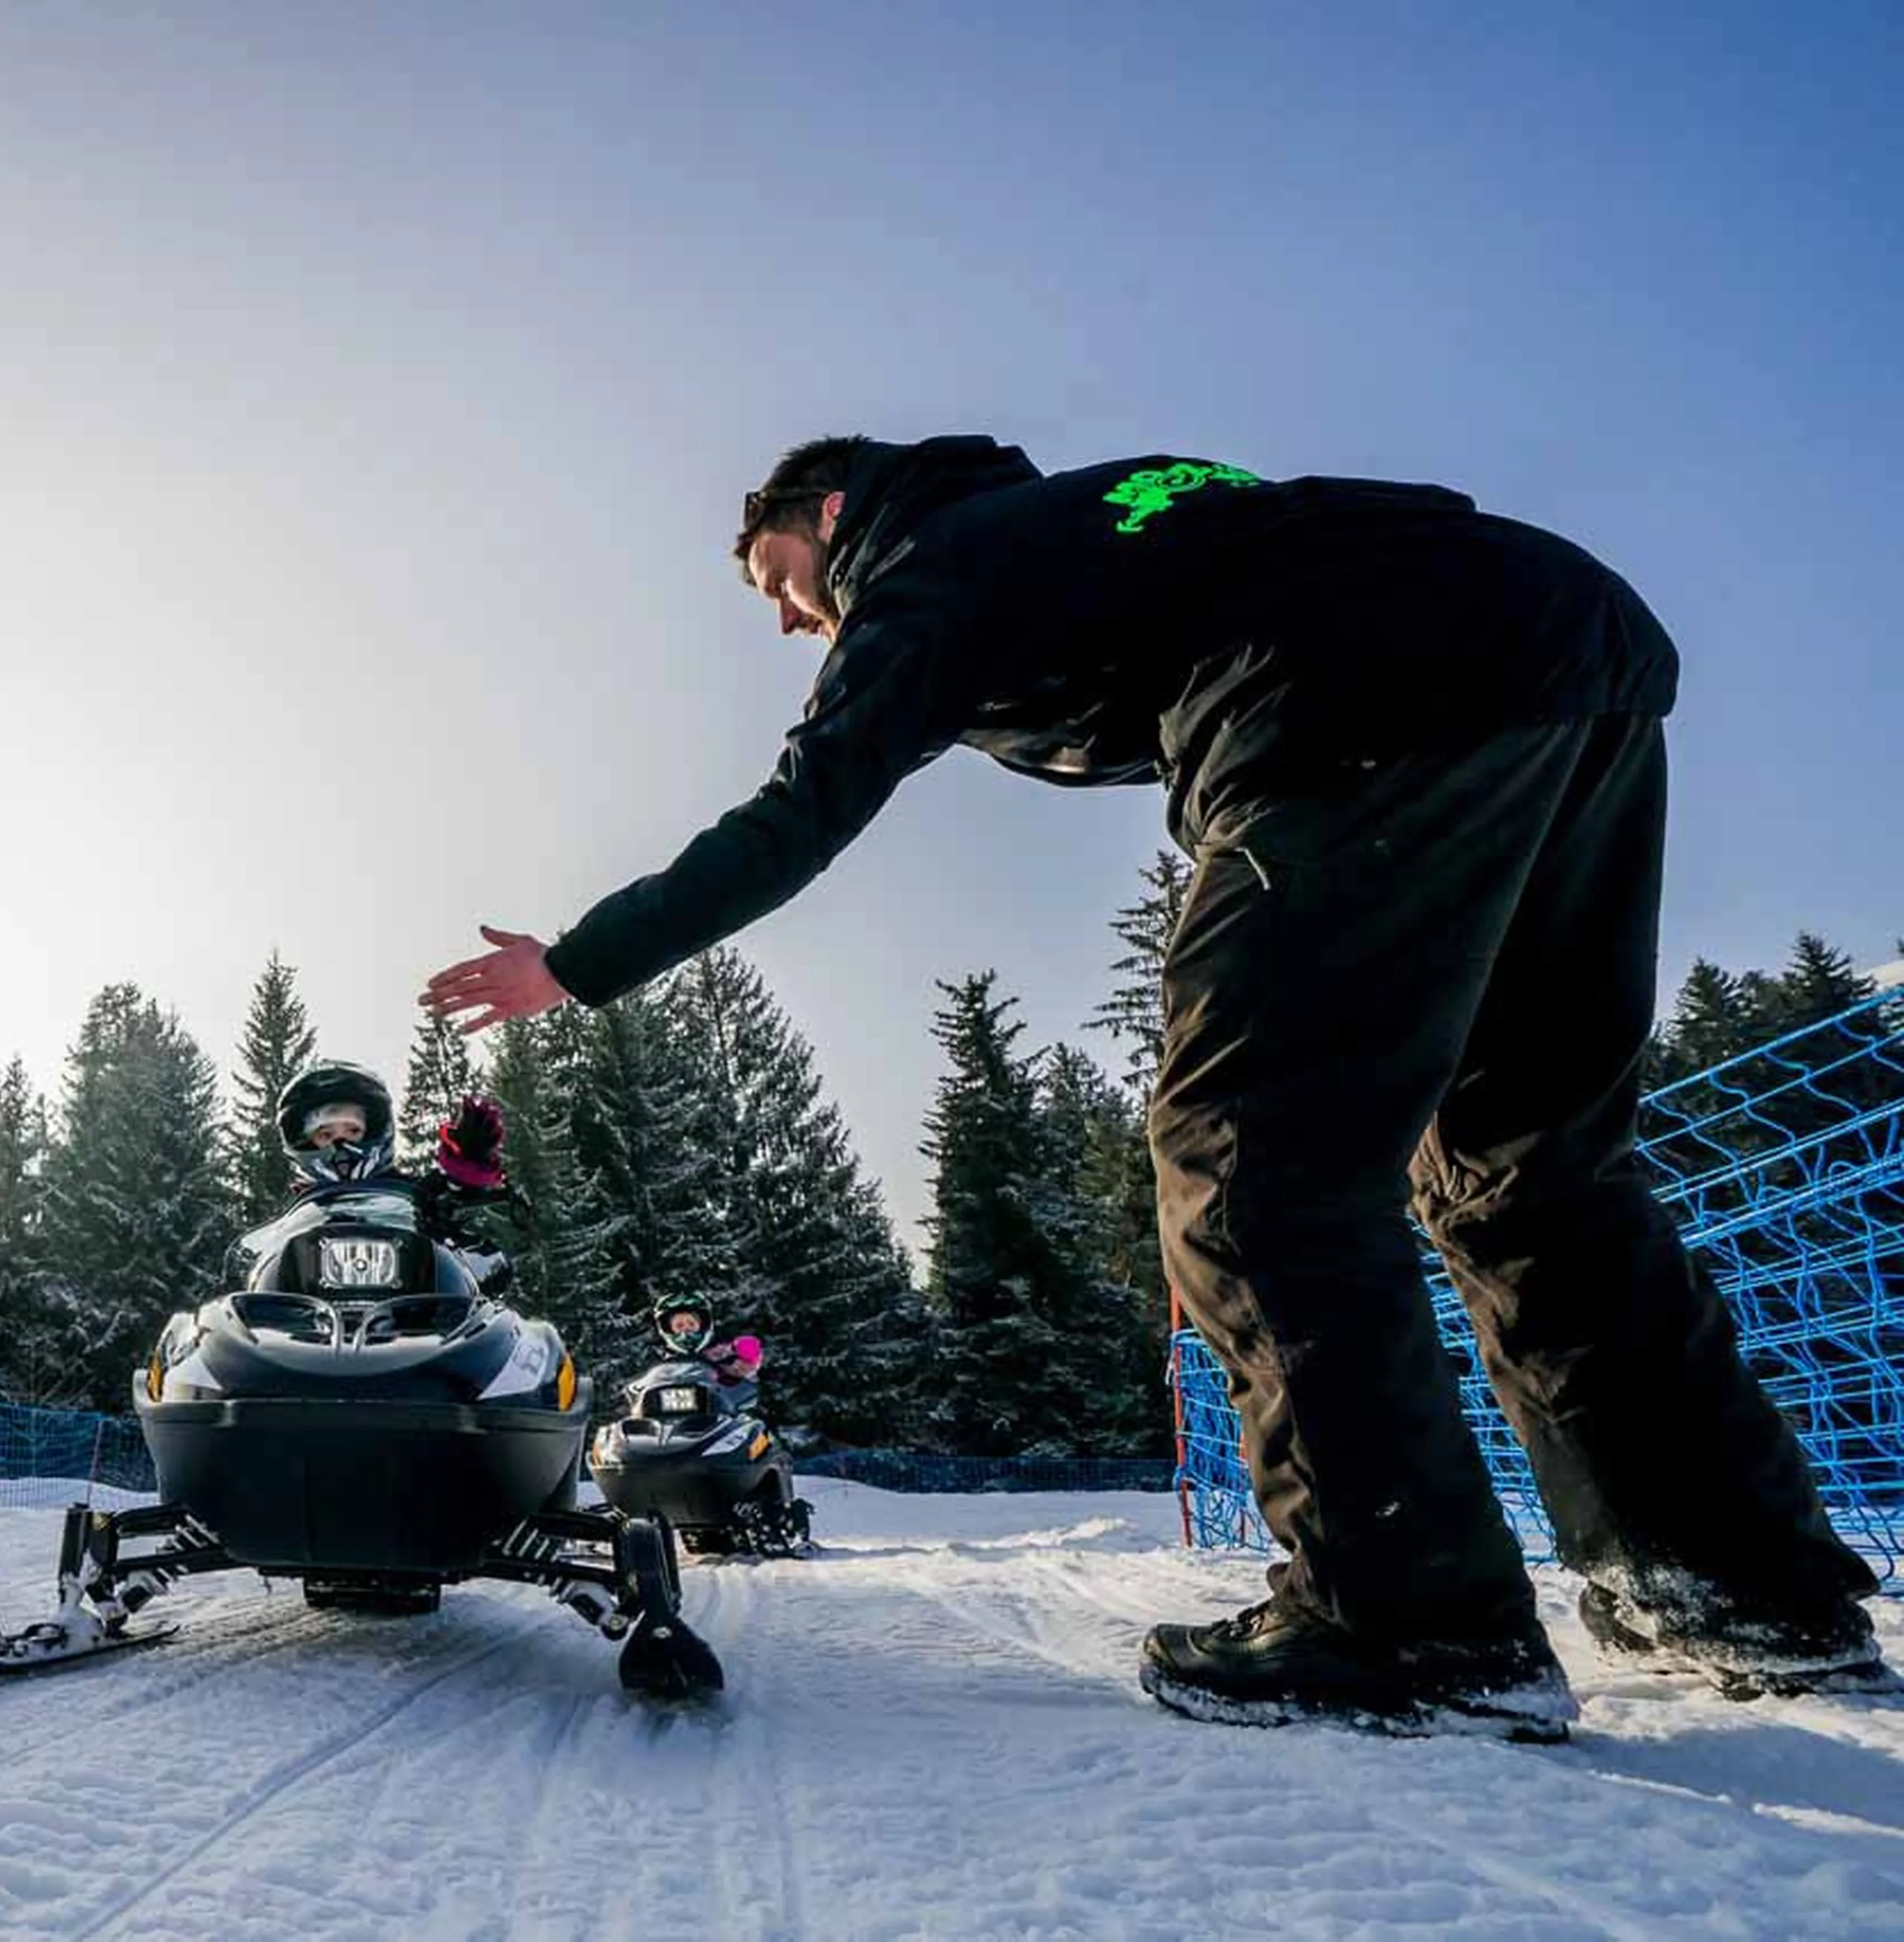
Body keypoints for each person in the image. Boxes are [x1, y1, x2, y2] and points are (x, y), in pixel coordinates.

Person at [419, 433, 1889, 1739]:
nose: (791, 617)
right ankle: (1743, 1584)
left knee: (1248, 1152)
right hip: (1562, 644)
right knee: (1529, 1169)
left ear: (836, 511)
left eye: (779, 578)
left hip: (1366, 700)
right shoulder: (1080, 516)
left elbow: (803, 807)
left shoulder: (928, 564)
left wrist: (578, 963)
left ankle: (1409, 1616)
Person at [272, 1059, 514, 1251]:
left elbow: (450, 1191)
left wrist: (465, 1169)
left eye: (353, 1131)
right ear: (307, 1143)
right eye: (326, 1135)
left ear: (373, 1131)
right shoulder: (299, 1211)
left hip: (418, 1289)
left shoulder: (409, 1193)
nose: (341, 1145)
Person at [653, 1298, 766, 1398]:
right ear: (668, 1330)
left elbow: (747, 1377)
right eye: (679, 1326)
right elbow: (648, 1383)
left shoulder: (718, 1353)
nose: (686, 1330)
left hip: (718, 1409)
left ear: (702, 1325)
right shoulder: (660, 1361)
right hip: (673, 1411)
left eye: (691, 1324)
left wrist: (745, 1355)